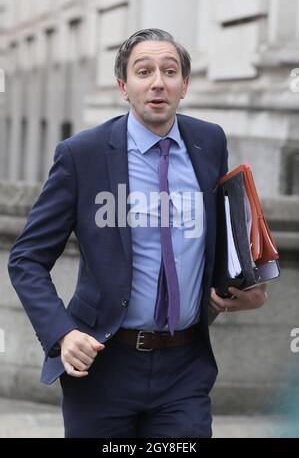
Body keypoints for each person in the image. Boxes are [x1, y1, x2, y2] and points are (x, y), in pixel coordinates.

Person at [8, 28, 267, 438]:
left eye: (170, 70)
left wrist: (248, 284)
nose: (158, 82)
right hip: (103, 363)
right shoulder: (82, 155)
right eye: (143, 71)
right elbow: (26, 259)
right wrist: (62, 332)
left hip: (185, 366)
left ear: (185, 85)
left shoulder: (209, 142)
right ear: (122, 87)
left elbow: (227, 232)